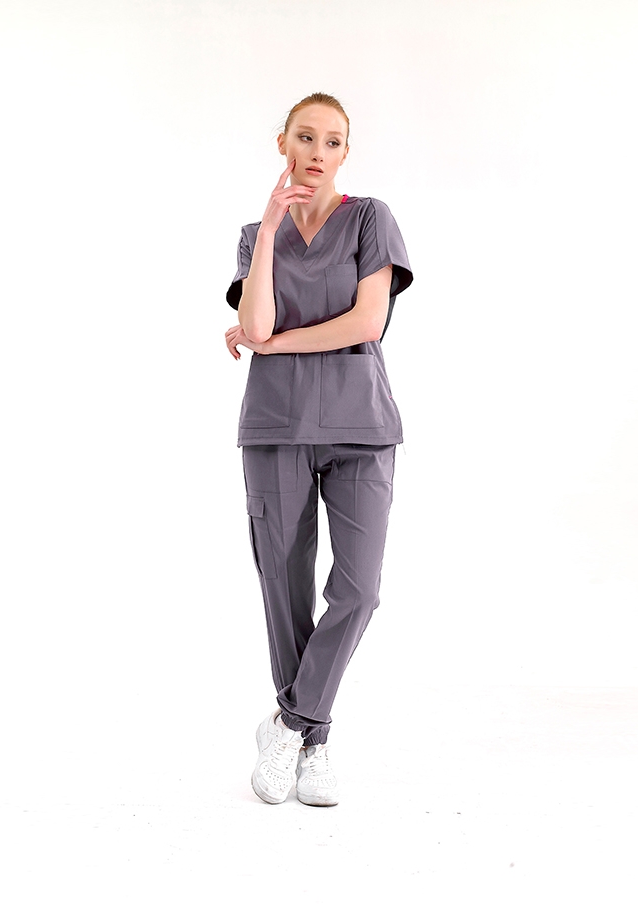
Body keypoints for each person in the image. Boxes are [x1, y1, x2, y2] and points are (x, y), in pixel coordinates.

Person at [224, 92, 413, 807]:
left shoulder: (370, 219)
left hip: (361, 428)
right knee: (285, 587)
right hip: (276, 427)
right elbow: (256, 319)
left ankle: (288, 722)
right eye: (306, 137)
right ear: (283, 143)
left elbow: (367, 322)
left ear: (345, 154)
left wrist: (270, 344)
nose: (318, 152)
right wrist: (272, 226)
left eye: (333, 142)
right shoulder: (255, 235)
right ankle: (313, 743)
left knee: (358, 592)